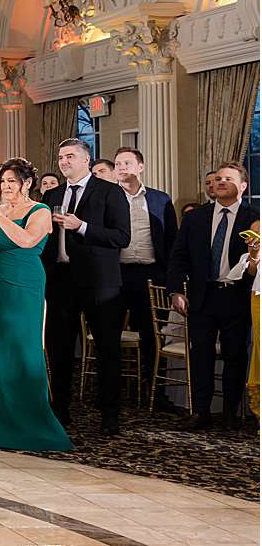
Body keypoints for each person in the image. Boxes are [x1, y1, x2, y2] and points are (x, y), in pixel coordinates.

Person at [0, 158, 70, 451]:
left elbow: (26, 240)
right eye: (2, 181)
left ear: (26, 183)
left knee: (23, 354)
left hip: (23, 286)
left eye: (11, 181)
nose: (5, 187)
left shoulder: (40, 210)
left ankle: (36, 428)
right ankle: (3, 429)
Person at [41, 138, 131, 434]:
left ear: (86, 160)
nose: (64, 161)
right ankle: (60, 409)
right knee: (59, 349)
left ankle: (109, 415)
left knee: (107, 350)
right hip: (61, 281)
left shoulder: (110, 192)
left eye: (69, 156)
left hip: (100, 283)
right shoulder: (52, 194)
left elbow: (121, 237)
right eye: (60, 157)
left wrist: (81, 226)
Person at [168, 162, 258, 428]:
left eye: (227, 179)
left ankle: (231, 413)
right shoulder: (196, 217)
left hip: (237, 295)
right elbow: (178, 256)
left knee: (235, 355)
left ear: (242, 186)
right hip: (202, 295)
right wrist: (175, 290)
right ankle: (200, 411)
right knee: (201, 355)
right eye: (217, 178)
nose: (220, 182)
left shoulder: (253, 218)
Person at [112, 147, 177, 406]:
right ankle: (112, 392)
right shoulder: (107, 197)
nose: (121, 167)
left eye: (127, 163)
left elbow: (172, 241)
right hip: (116, 273)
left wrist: (170, 280)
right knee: (110, 333)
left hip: (151, 274)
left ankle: (154, 392)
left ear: (141, 166)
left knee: (152, 335)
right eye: (117, 164)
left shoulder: (161, 199)